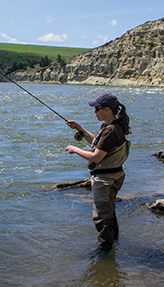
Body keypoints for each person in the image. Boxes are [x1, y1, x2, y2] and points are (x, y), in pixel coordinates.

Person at [65, 93, 131, 251]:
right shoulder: (111, 126)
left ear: (107, 110)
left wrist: (75, 149)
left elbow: (96, 157)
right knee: (109, 213)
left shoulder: (111, 130)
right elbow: (97, 143)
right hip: (112, 176)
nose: (95, 112)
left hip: (106, 179)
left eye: (97, 109)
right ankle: (113, 244)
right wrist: (79, 128)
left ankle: (105, 255)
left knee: (101, 218)